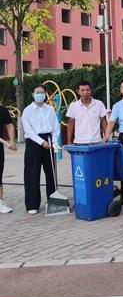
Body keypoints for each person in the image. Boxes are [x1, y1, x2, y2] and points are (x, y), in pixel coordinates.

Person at [21, 84, 60, 214]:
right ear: (32, 94)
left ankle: (54, 202)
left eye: (42, 92)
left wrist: (53, 140)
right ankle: (32, 204)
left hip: (49, 140)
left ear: (45, 94)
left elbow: (56, 126)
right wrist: (42, 142)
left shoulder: (50, 109)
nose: (40, 94)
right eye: (37, 92)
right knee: (32, 173)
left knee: (51, 173)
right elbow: (29, 130)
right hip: (34, 142)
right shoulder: (27, 110)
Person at [0, 105, 16, 213]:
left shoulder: (2, 110)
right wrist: (7, 143)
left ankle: (0, 201)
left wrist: (12, 141)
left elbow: (10, 125)